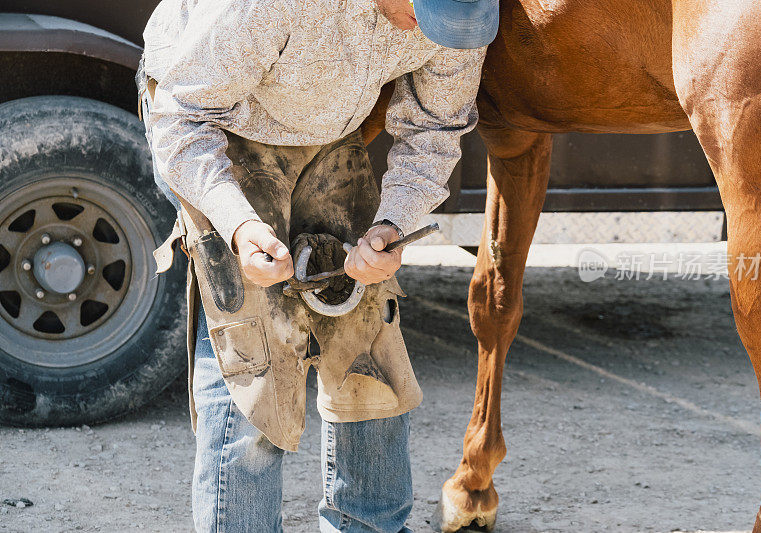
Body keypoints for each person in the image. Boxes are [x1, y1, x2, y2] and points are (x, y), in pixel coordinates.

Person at [138, 0, 497, 529]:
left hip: (329, 124)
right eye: (423, 12)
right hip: (215, 119)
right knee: (254, 356)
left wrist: (393, 224)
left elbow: (436, 128)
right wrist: (238, 224)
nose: (428, 30)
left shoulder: (458, 18)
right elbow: (182, 119)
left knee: (367, 343)